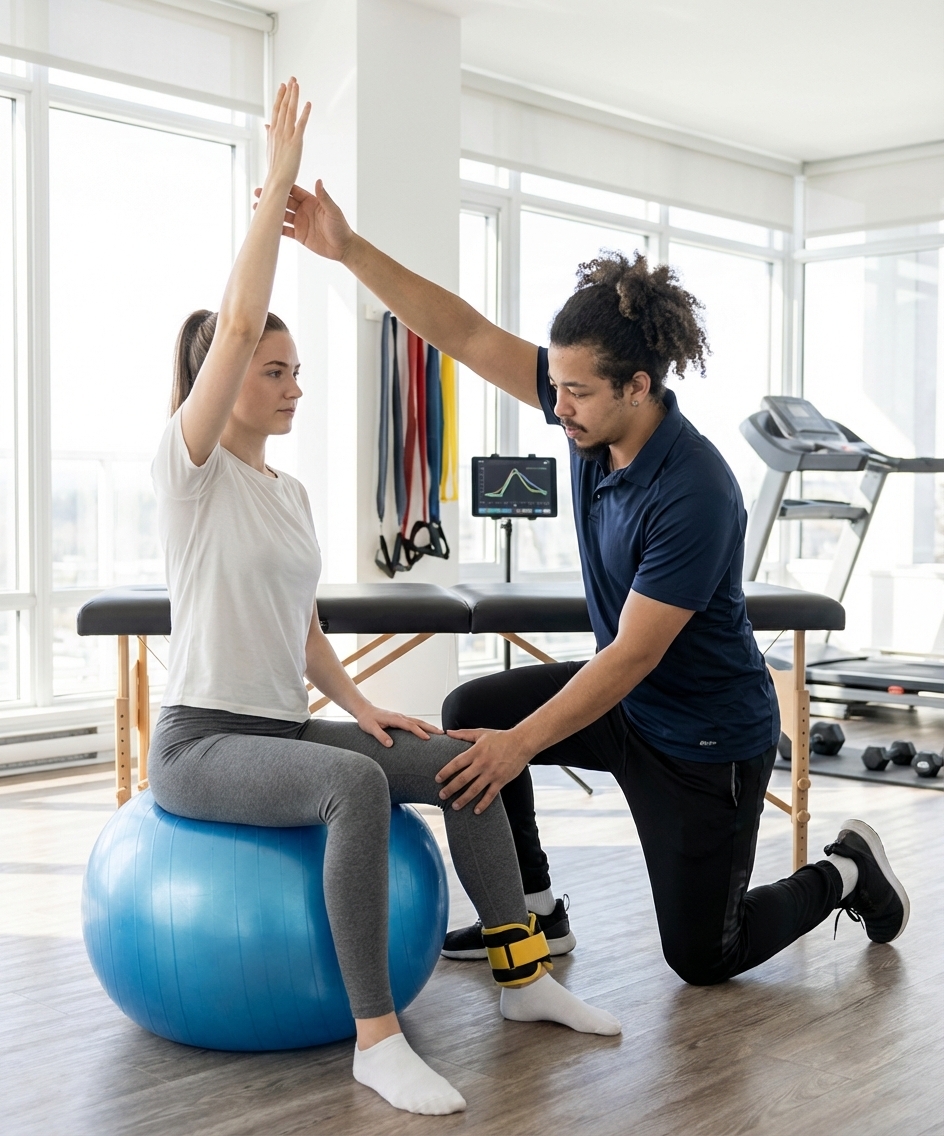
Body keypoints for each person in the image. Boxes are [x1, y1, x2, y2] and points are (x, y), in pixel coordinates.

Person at [271, 173, 911, 989]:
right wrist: (347, 248)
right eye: (557, 386)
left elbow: (633, 656)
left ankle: (849, 870)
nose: (558, 405)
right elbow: (465, 332)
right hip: (630, 710)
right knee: (475, 715)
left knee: (704, 957)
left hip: (703, 740)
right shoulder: (591, 422)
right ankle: (537, 913)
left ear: (638, 387)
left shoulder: (695, 491)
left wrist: (522, 747)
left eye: (576, 392)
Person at [147, 79, 621, 1120]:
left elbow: (301, 626)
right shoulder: (189, 472)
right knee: (352, 792)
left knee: (465, 757)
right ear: (224, 383)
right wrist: (275, 182)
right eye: (275, 371)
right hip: (197, 746)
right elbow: (231, 322)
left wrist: (360, 710)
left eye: (296, 369)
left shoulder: (290, 490)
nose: (294, 385)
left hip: (281, 726)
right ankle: (376, 1039)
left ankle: (519, 972)